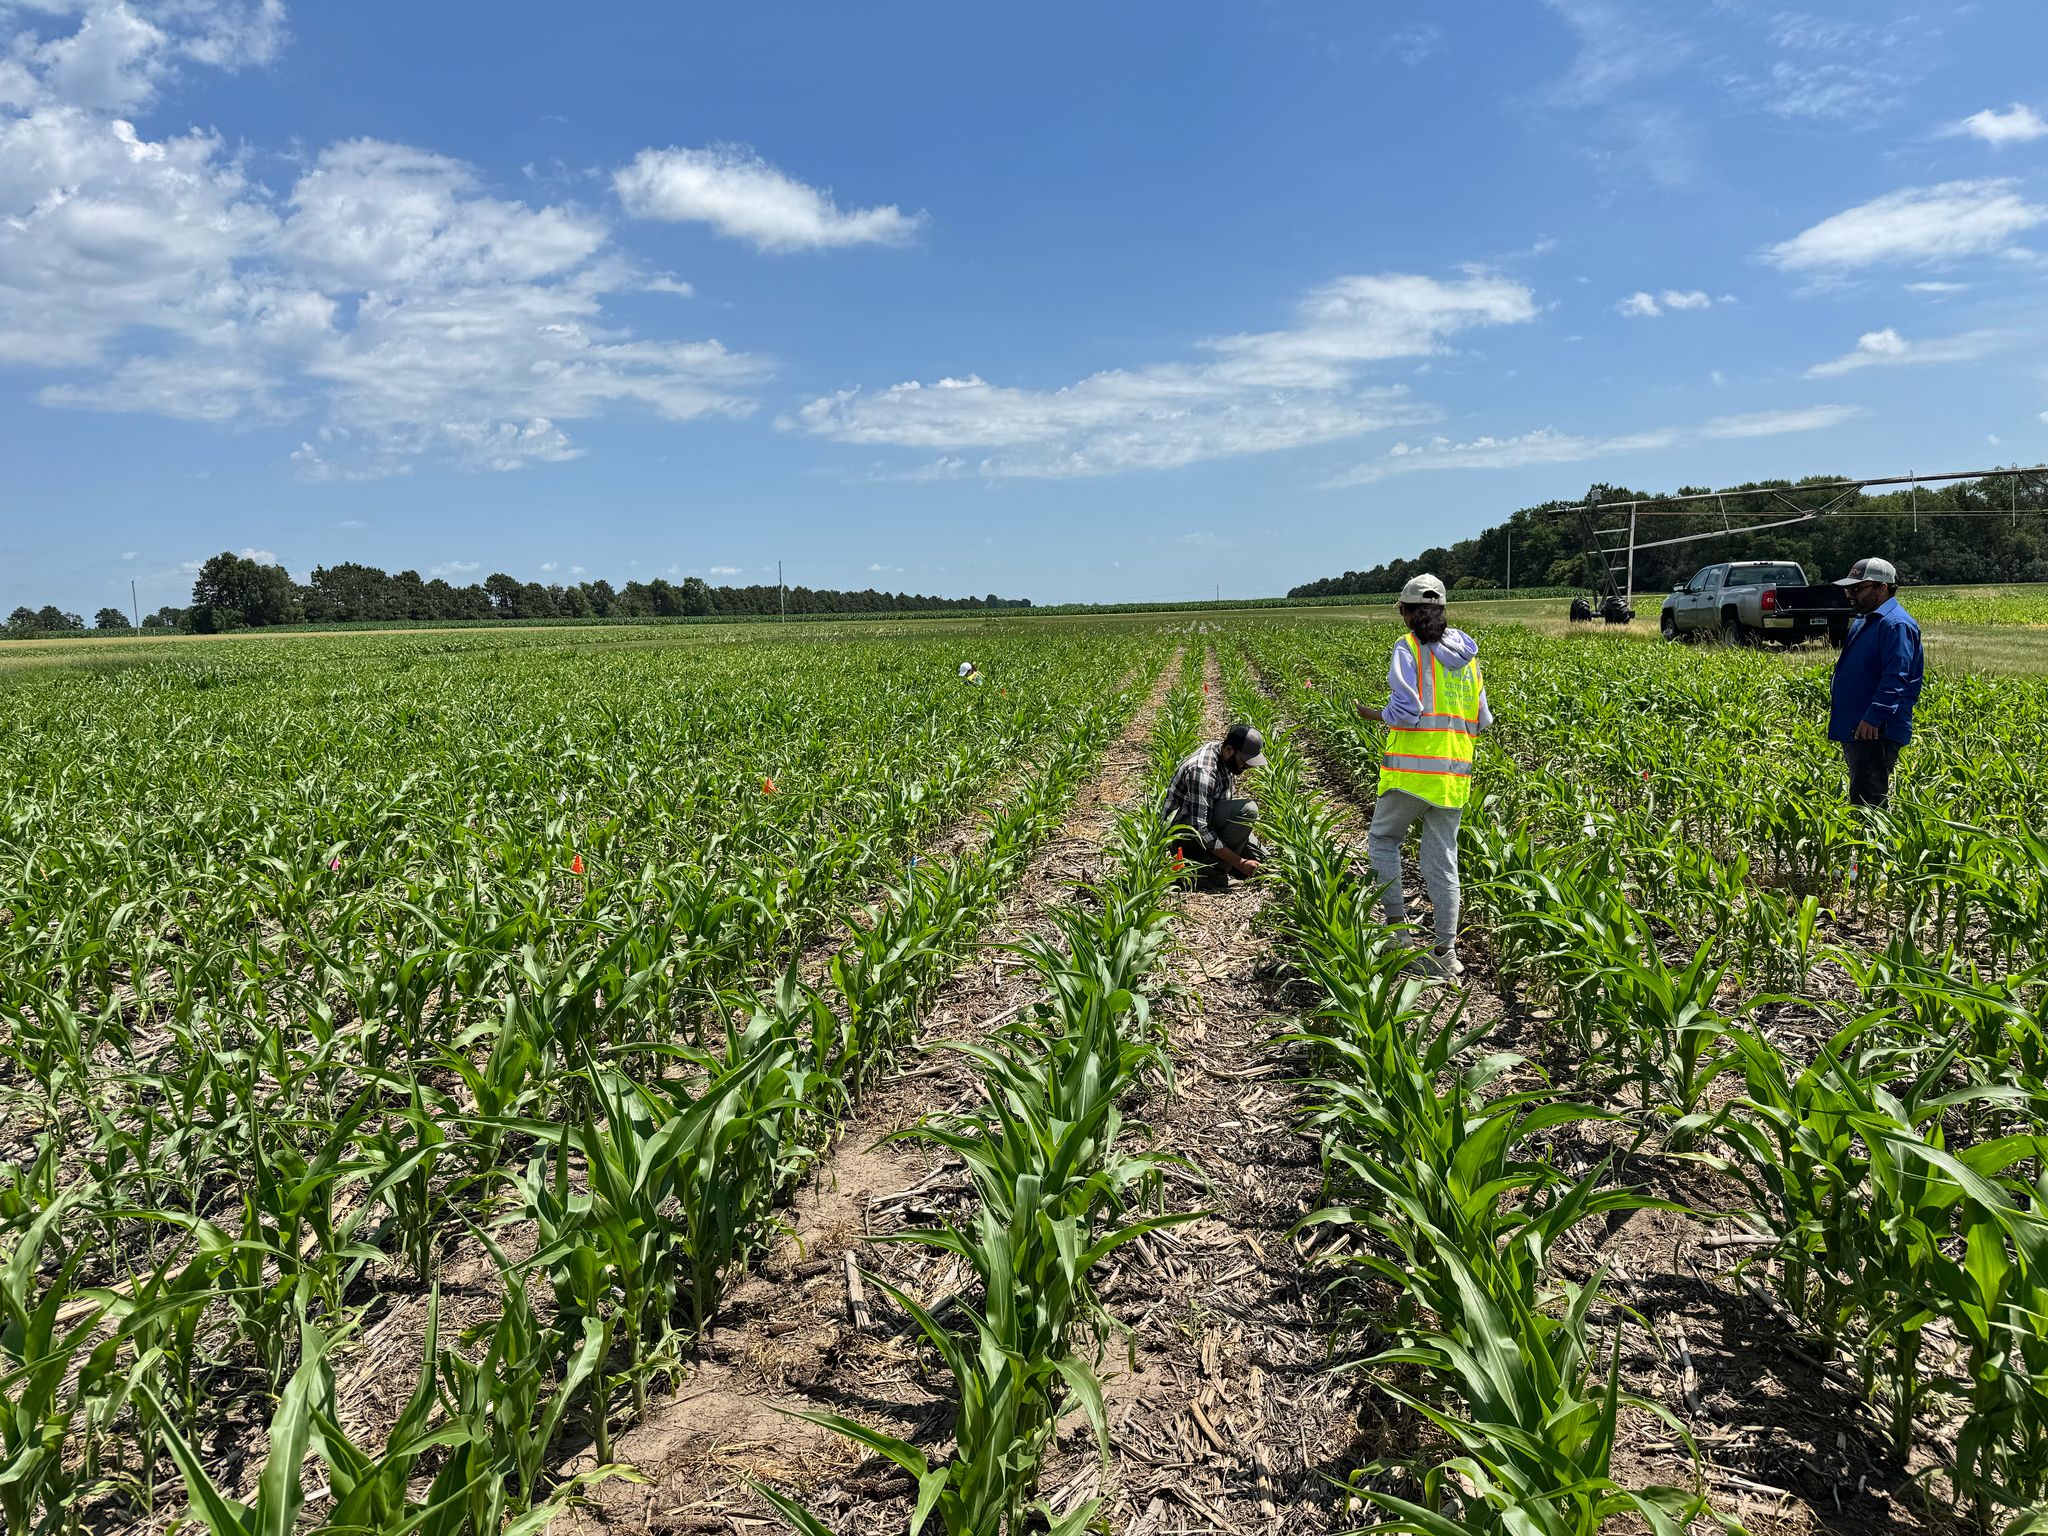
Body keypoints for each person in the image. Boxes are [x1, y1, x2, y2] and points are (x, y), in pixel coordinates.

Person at [1354, 574, 1494, 977]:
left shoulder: (1409, 647)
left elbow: (1407, 710)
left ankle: (1398, 936)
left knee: (1383, 839)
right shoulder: (1469, 658)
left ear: (1408, 612)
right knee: (1443, 861)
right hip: (1453, 776)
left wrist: (1374, 714)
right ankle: (1445, 956)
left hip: (1411, 773)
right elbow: (1482, 720)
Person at [1829, 556, 1923, 808]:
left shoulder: (1896, 625)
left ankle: (1877, 846)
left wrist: (1874, 717)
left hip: (1875, 730)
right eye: (1848, 588)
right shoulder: (1867, 619)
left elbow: (1897, 676)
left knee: (1869, 802)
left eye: (1857, 589)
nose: (1850, 594)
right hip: (1858, 725)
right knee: (1863, 794)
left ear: (1882, 588)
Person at [1160, 722, 1267, 892]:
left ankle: (1220, 865)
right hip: (1185, 835)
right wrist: (1240, 862)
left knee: (1265, 862)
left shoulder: (1226, 759)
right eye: (1245, 761)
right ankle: (1209, 875)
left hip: (1206, 825)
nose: (1248, 766)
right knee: (1249, 810)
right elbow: (1201, 830)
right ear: (1229, 750)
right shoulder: (1202, 771)